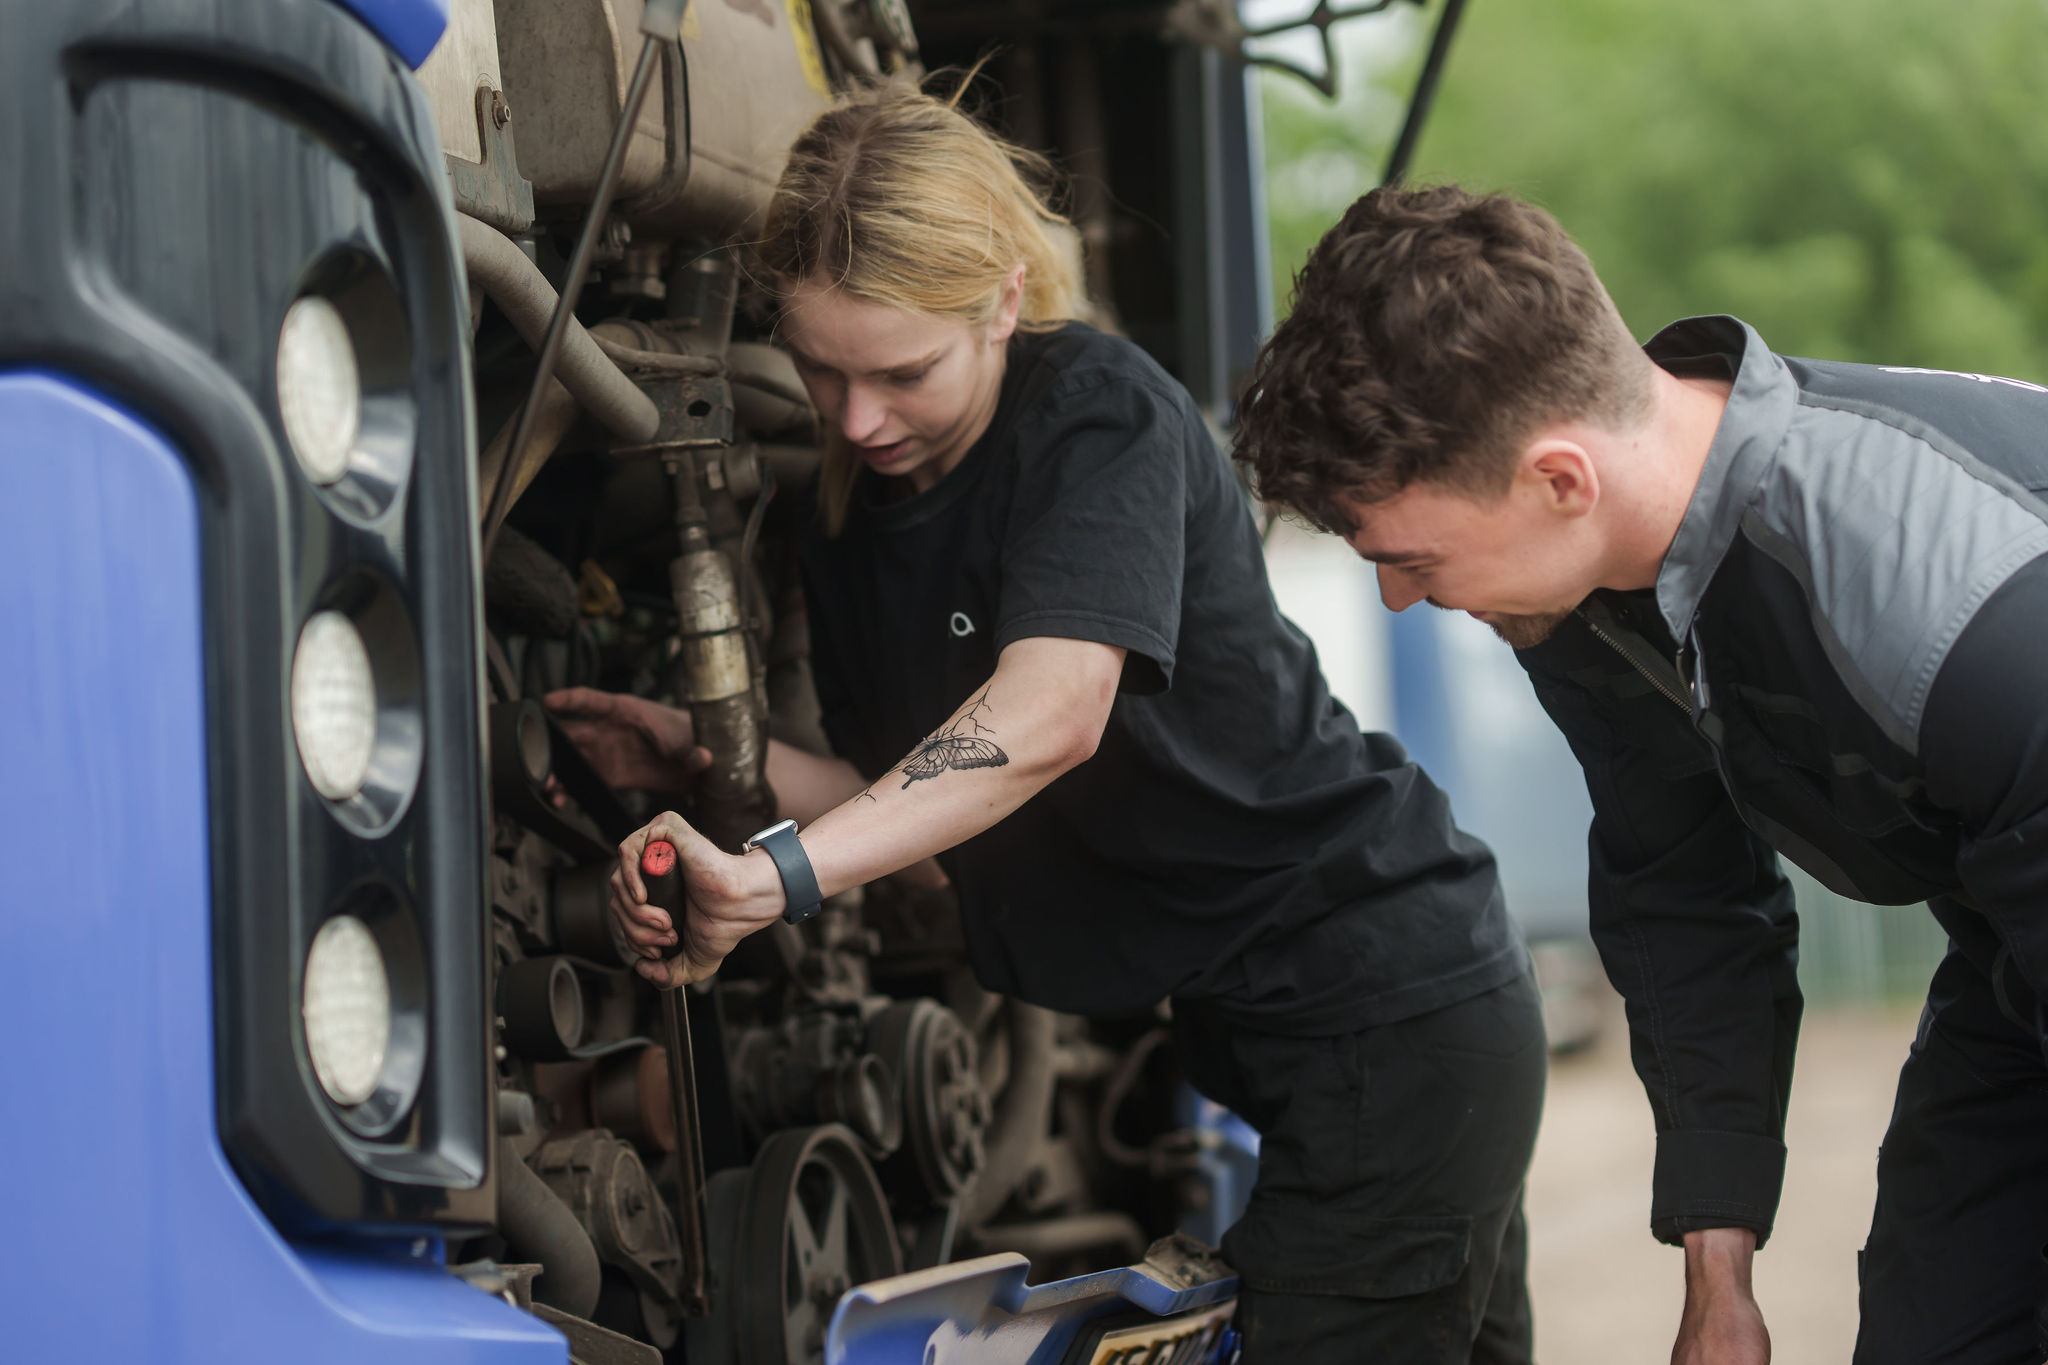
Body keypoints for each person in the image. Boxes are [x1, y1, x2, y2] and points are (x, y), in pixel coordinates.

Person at [551, 83, 1546, 1363]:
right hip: (1278, 1040)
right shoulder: (852, 511)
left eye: (902, 372)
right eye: (818, 370)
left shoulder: (1095, 415)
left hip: (1389, 1007)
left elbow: (1046, 716)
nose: (855, 420)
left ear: (1005, 301)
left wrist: (776, 877)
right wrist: (713, 768)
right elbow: (899, 787)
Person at [1234, 181, 2048, 1365]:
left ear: (1557, 478)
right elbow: (1686, 895)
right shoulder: (1589, 588)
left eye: (1408, 557)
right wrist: (1718, 1282)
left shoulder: (1943, 606)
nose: (1397, 597)